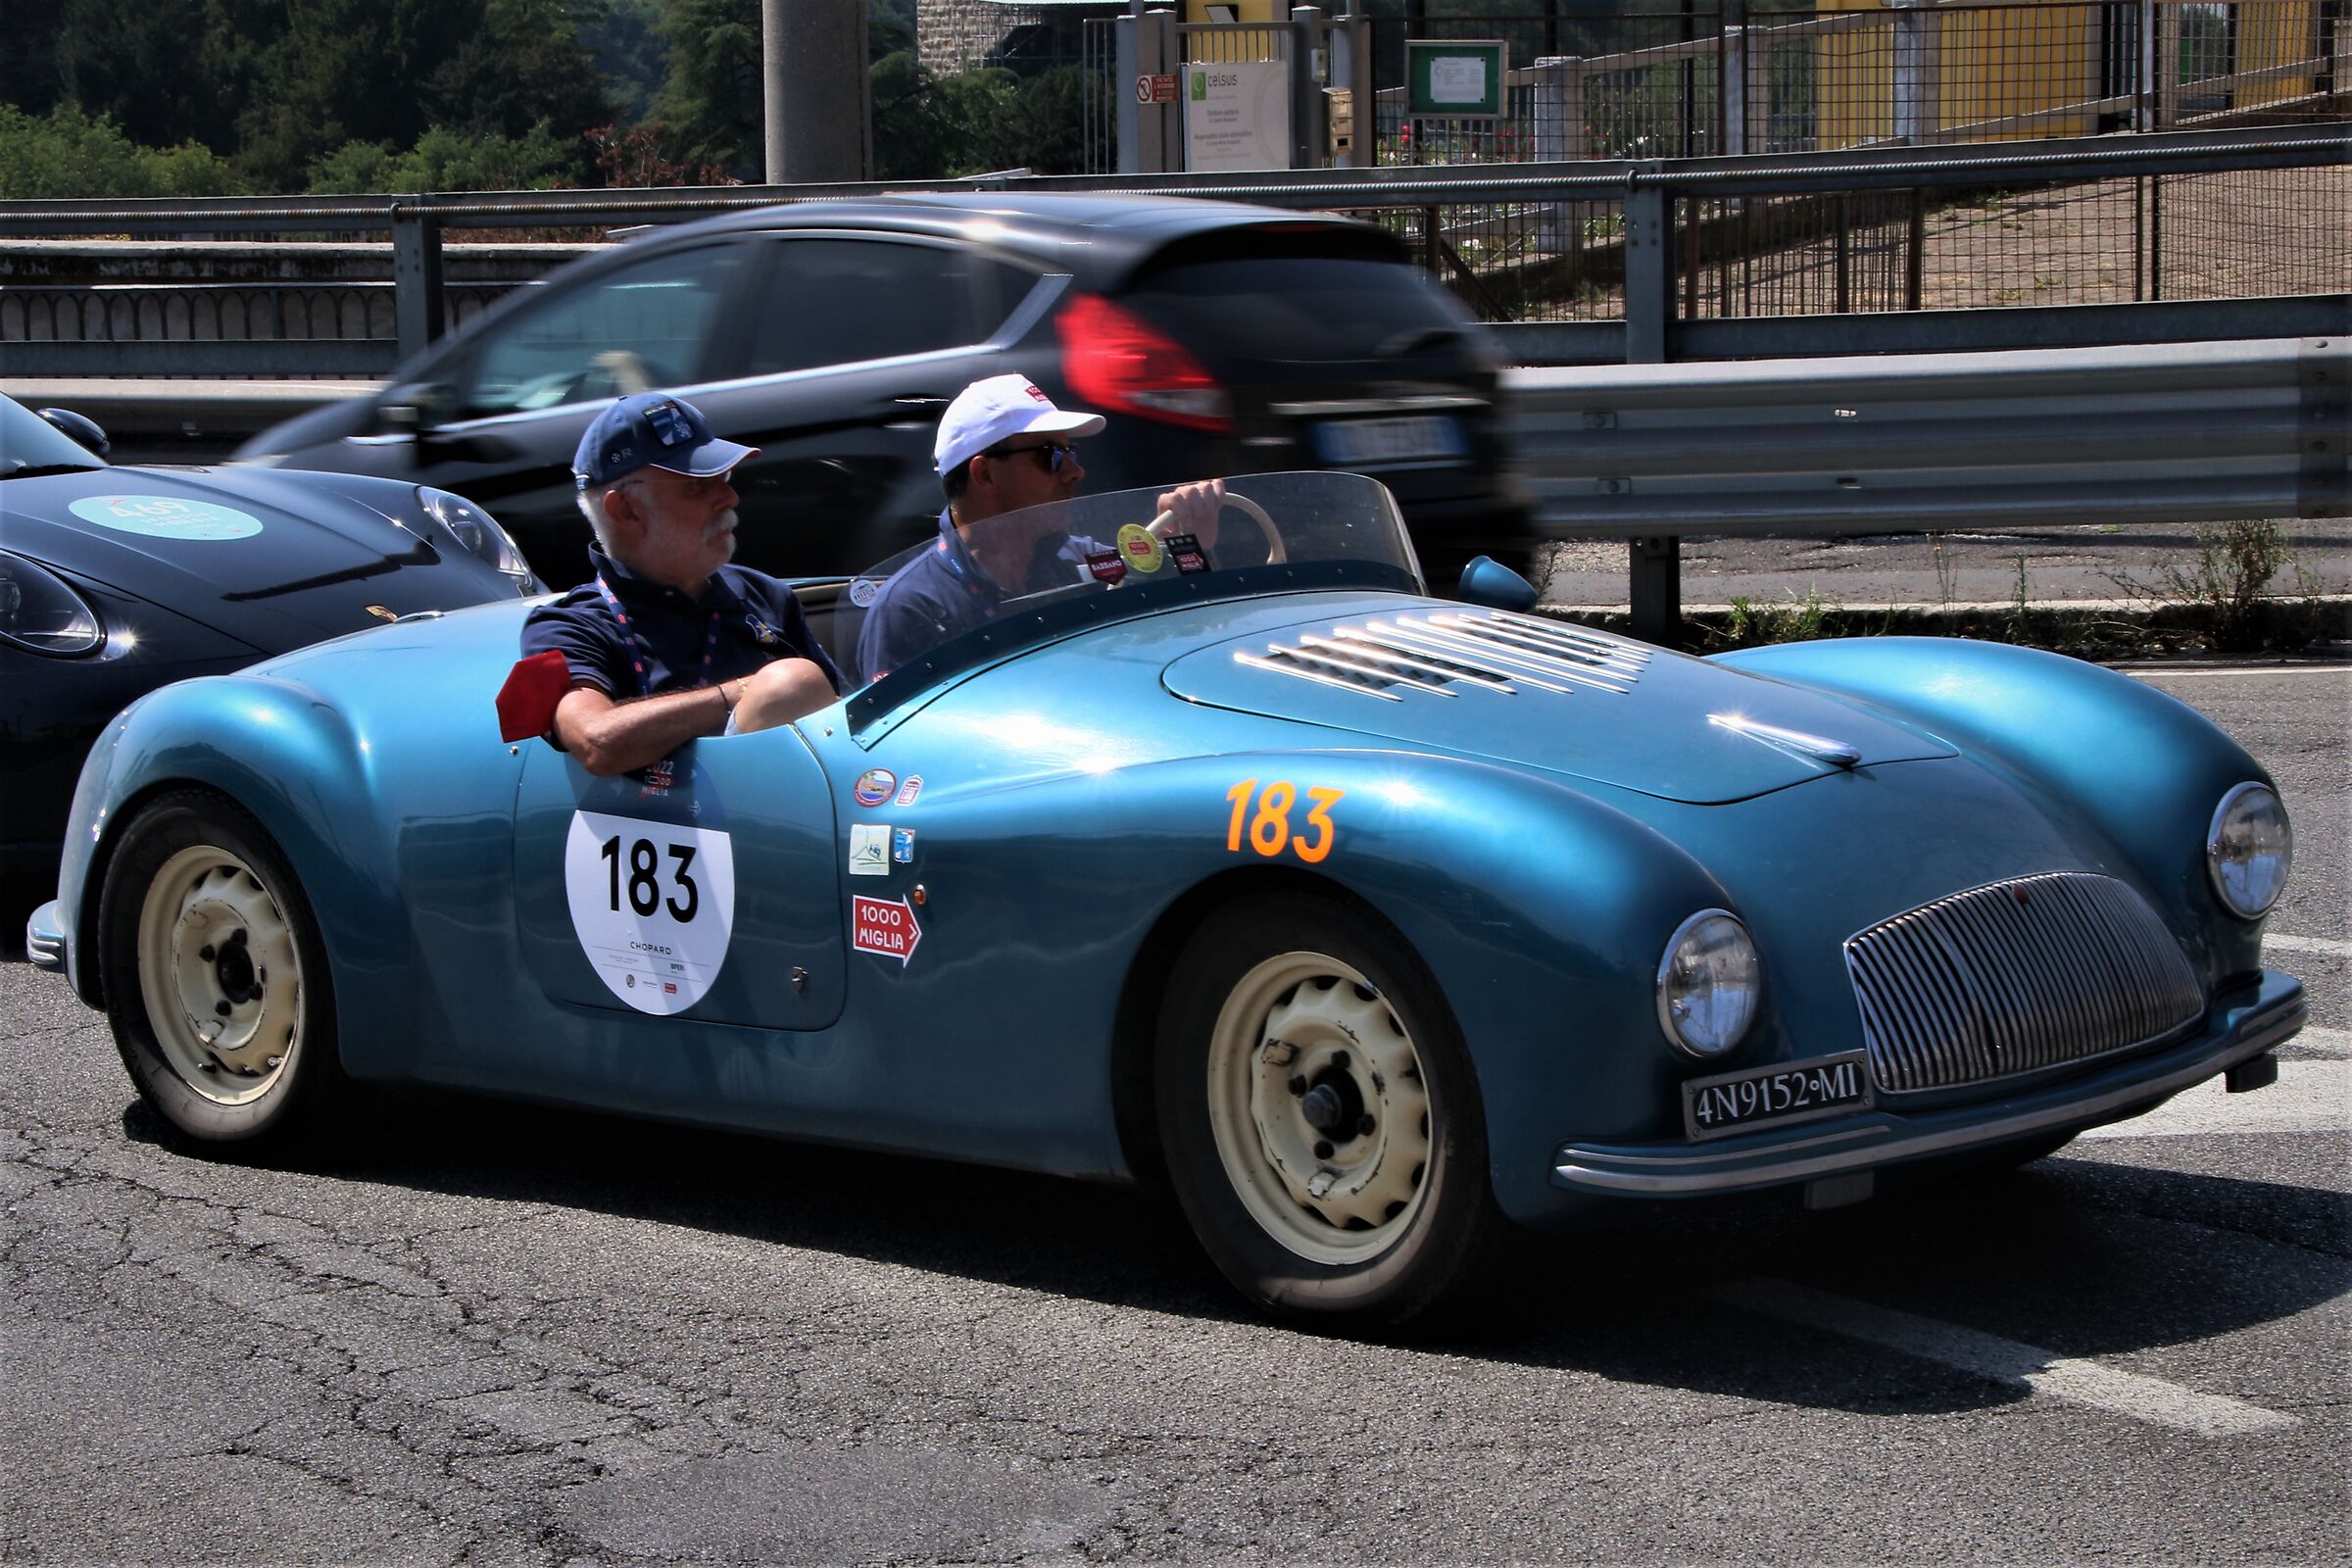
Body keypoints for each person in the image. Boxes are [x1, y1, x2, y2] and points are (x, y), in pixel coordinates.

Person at [518, 392, 840, 777]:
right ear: (626, 510)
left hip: (799, 820)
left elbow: (842, 723)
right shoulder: (566, 628)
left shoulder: (766, 594)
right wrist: (745, 692)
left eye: (725, 478)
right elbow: (594, 740)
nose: (729, 497)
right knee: (789, 684)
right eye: (696, 486)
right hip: (723, 825)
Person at [854, 373, 1224, 684]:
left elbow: (1180, 633)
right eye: (1051, 456)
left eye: (1072, 453)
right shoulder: (913, 607)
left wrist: (1190, 547)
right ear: (985, 474)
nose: (1074, 472)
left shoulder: (1084, 559)